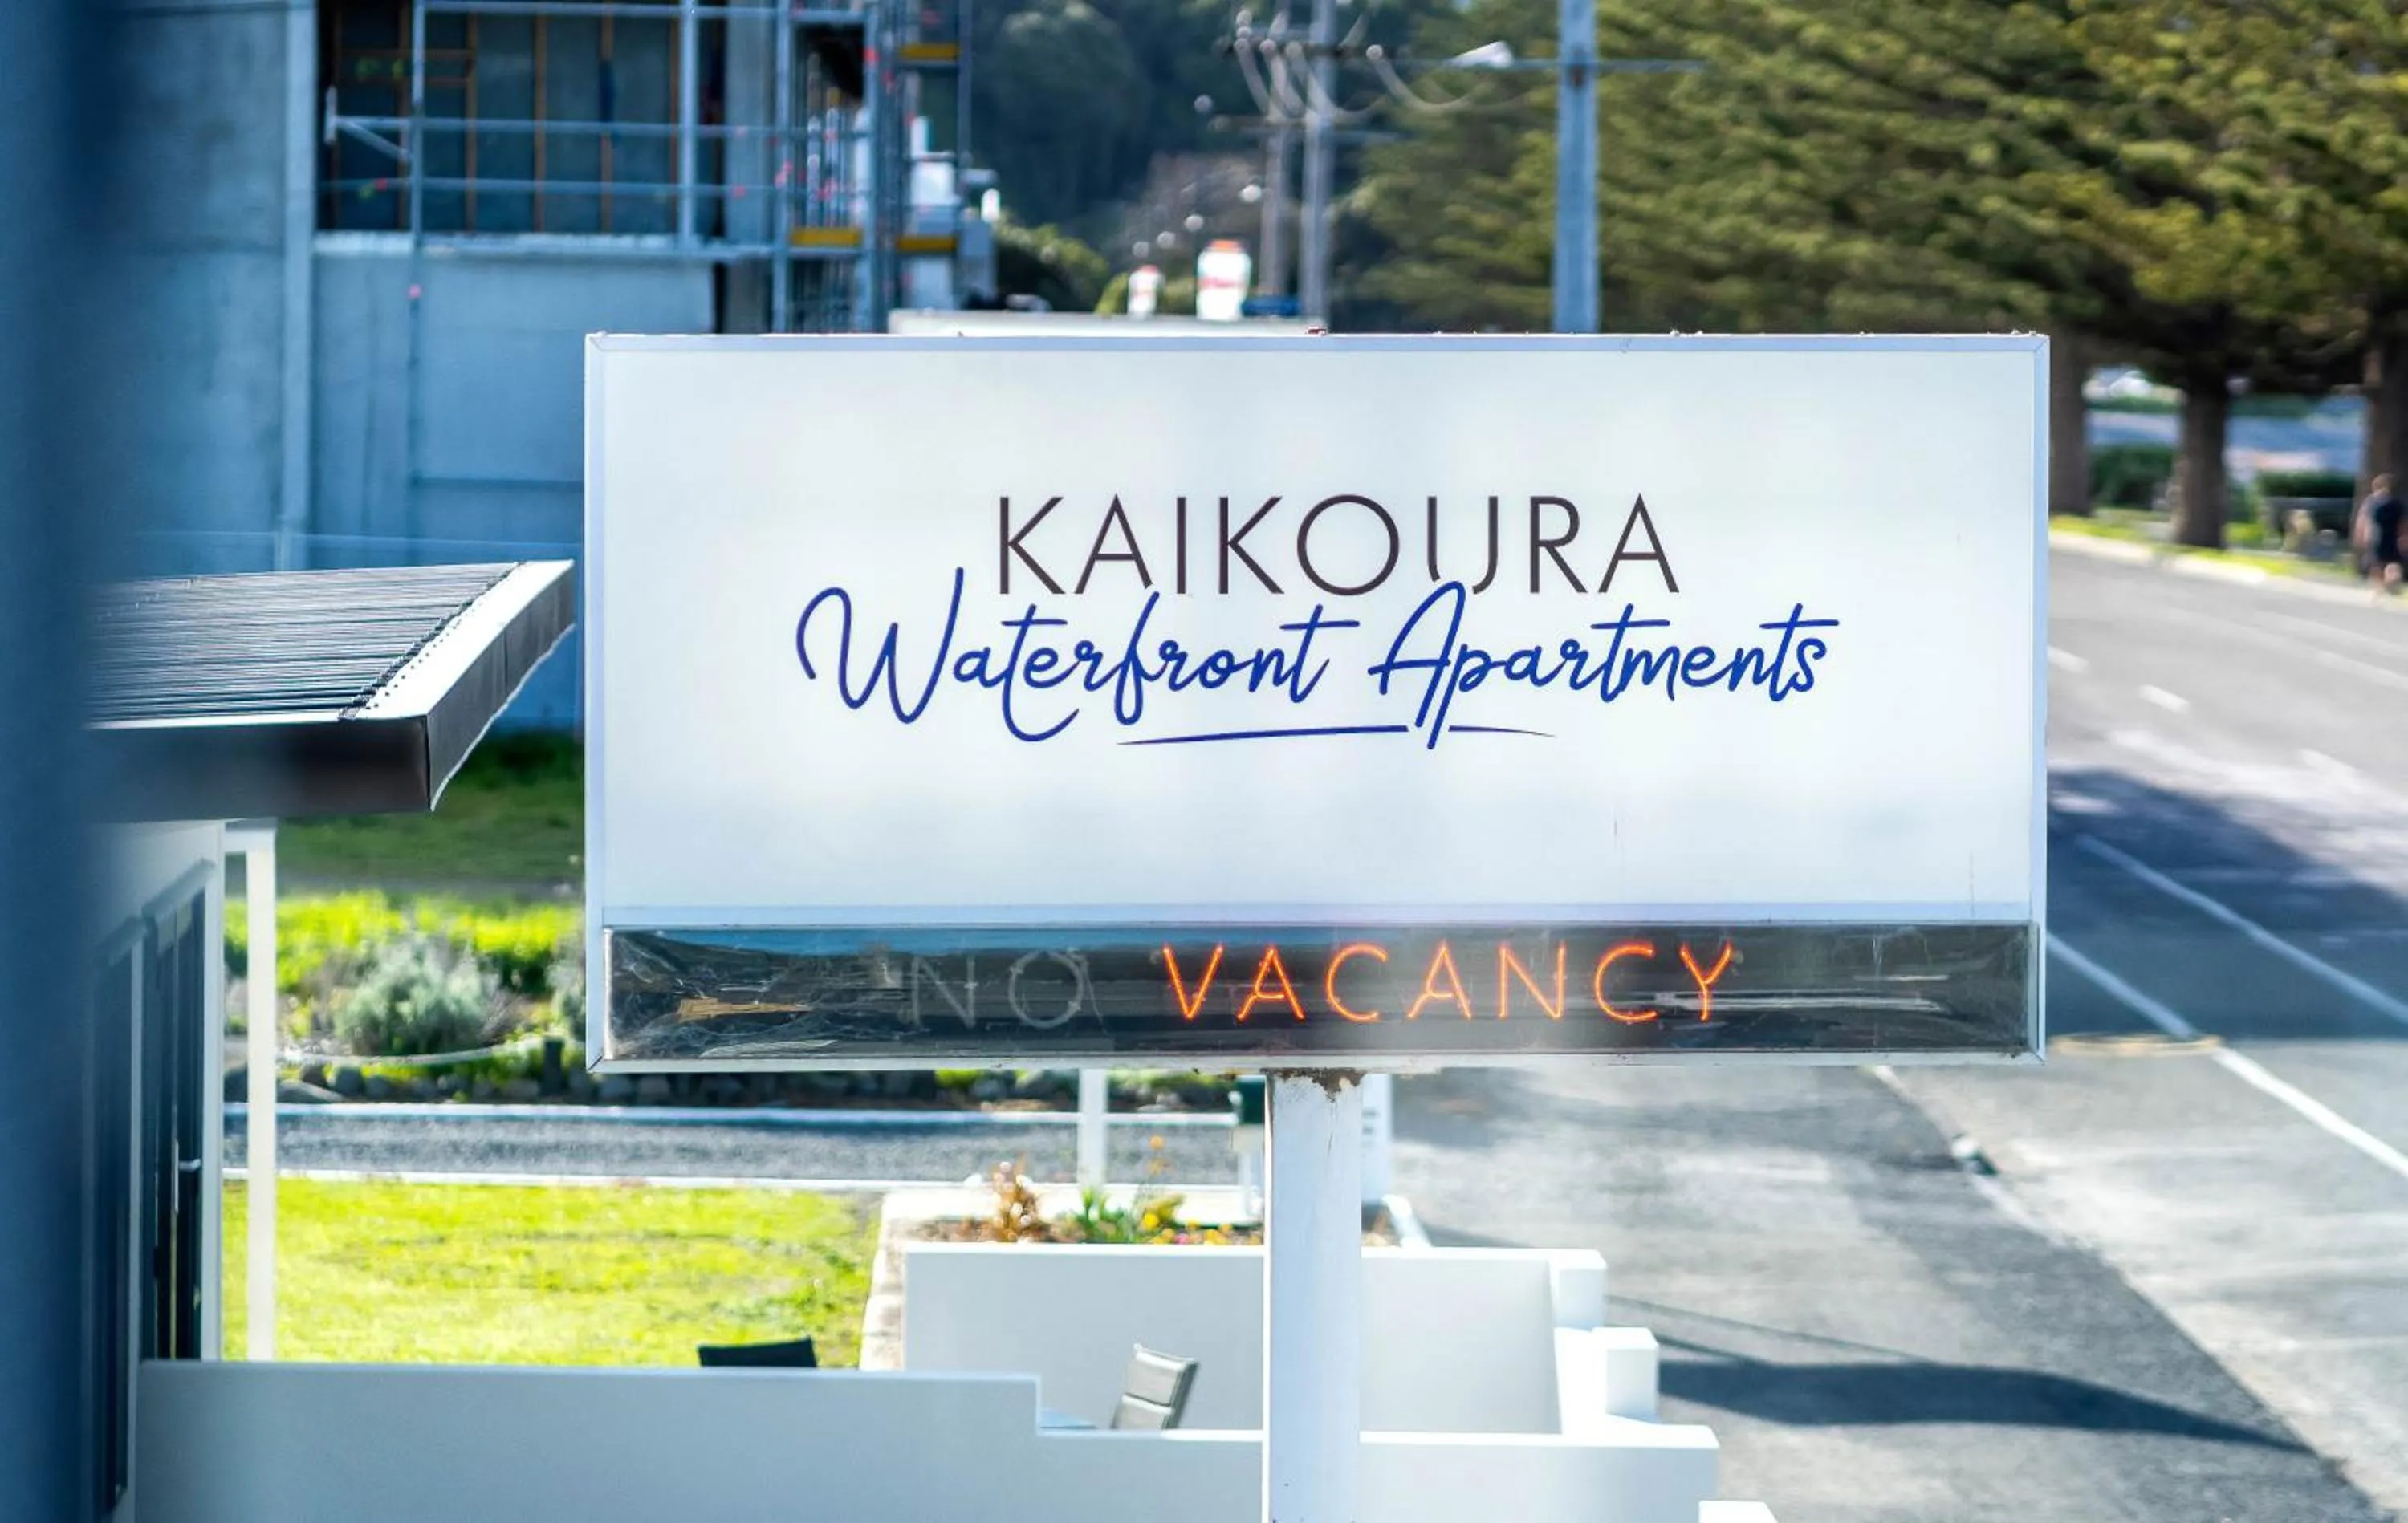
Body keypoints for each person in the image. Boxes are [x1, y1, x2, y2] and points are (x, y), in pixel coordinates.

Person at [2355, 473, 2405, 593]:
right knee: (2392, 562)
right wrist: (2404, 538)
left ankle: (2379, 588)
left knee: (2376, 563)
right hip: (2392, 535)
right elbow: (2403, 523)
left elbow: (2363, 520)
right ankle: (2391, 582)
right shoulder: (2397, 503)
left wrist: (2360, 535)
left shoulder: (2371, 502)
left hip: (2375, 535)